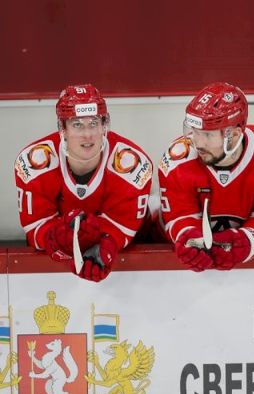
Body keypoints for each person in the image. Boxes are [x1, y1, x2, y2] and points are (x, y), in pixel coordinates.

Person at [14, 84, 153, 282]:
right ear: (63, 128)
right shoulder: (33, 163)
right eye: (77, 124)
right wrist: (58, 239)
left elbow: (121, 227)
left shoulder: (133, 165)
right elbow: (36, 228)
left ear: (104, 126)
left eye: (94, 123)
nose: (88, 134)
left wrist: (105, 244)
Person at [158, 82, 254, 271]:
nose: (197, 143)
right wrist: (189, 240)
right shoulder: (178, 161)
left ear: (234, 135)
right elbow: (179, 215)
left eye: (207, 135)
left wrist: (247, 240)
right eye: (194, 131)